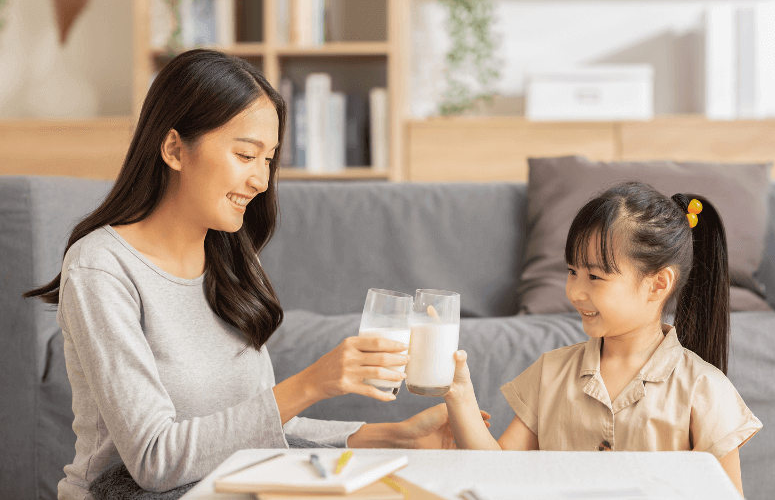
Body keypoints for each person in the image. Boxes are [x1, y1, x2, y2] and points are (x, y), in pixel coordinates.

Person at [24, 49, 473, 499]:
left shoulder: (231, 261)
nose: (261, 180)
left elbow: (255, 425)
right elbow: (155, 460)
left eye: (269, 160)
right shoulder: (102, 266)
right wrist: (312, 382)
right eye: (246, 154)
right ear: (175, 149)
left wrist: (393, 436)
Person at [442, 181, 762, 496]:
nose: (575, 292)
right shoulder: (550, 373)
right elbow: (495, 473)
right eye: (572, 272)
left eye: (595, 277)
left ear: (658, 284)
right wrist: (459, 394)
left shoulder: (704, 388)